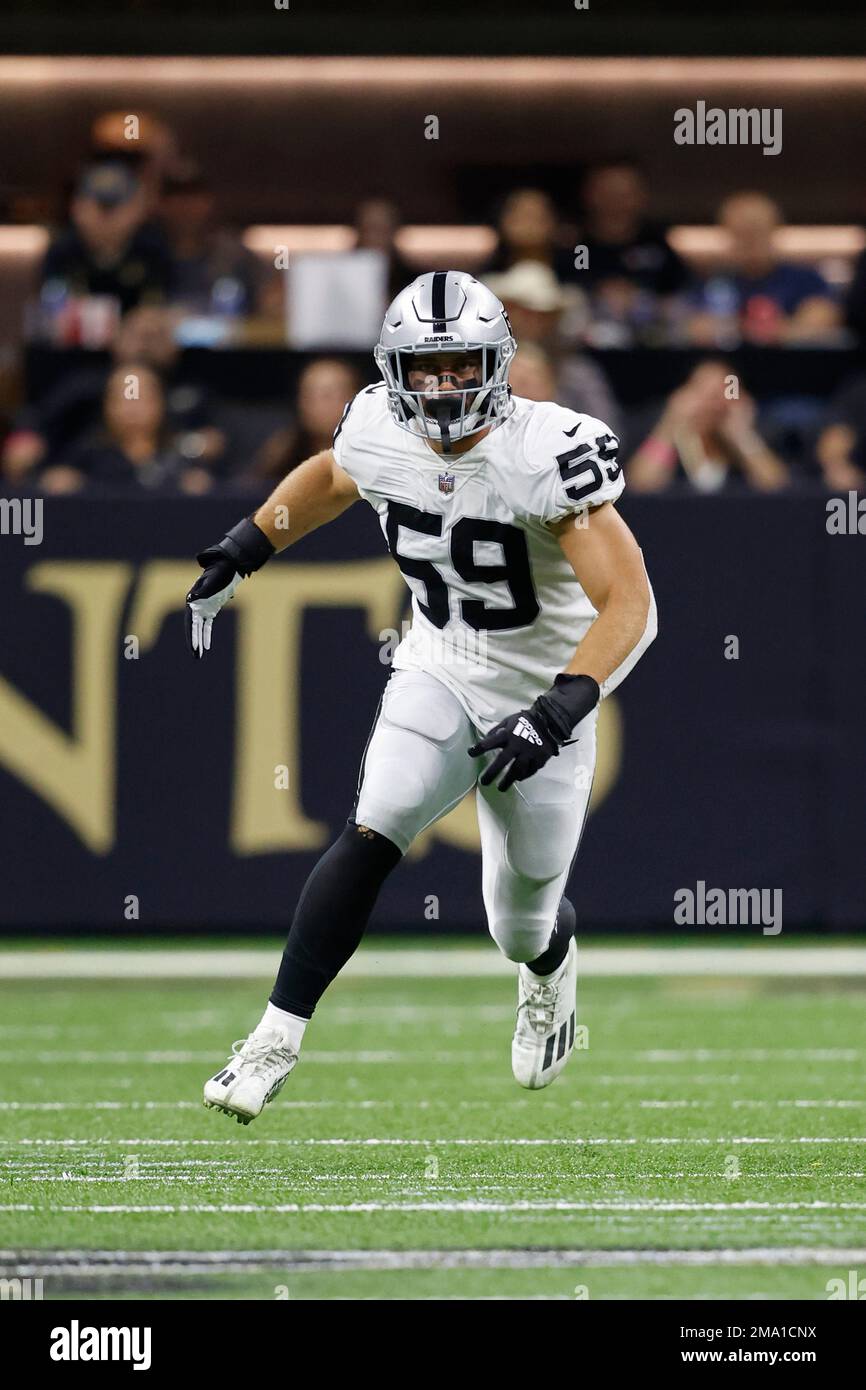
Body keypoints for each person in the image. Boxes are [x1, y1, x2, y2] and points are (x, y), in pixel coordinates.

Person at [185, 271, 657, 1121]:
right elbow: (333, 477)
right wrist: (247, 544)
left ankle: (549, 963)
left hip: (541, 685)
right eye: (425, 368)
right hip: (440, 661)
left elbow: (632, 605)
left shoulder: (543, 452)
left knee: (517, 925)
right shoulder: (375, 423)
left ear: (499, 363)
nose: (442, 388)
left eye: (460, 366)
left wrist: (555, 712)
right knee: (381, 818)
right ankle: (274, 1038)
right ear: (394, 371)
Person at [688, 193, 840, 347]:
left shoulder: (805, 279)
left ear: (774, 230)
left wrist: (776, 331)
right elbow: (695, 326)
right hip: (730, 368)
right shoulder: (715, 281)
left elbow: (822, 320)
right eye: (740, 234)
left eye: (756, 232)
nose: (748, 242)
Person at [41, 364, 213, 494]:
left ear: (161, 403)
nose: (131, 409)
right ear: (106, 405)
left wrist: (200, 487)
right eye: (122, 399)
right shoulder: (86, 454)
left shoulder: (183, 453)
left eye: (142, 398)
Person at [627, 360, 788, 493]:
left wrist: (742, 436)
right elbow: (641, 484)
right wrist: (669, 425)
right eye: (702, 392)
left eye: (722, 393)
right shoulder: (657, 431)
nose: (711, 404)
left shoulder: (762, 433)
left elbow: (778, 487)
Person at [39, 161, 173, 315]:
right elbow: (50, 311)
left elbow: (164, 309)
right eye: (98, 206)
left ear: (139, 208)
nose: (105, 218)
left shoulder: (153, 251)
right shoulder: (62, 252)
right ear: (76, 207)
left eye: (114, 207)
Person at [160, 161, 265, 315]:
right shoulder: (145, 254)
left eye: (194, 198)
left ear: (209, 202)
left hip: (228, 337)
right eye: (177, 198)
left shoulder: (235, 255)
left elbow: (266, 301)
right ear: (161, 204)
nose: (186, 207)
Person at [250, 358, 361, 481]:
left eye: (328, 395)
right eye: (309, 395)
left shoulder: (377, 458)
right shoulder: (282, 456)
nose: (317, 404)